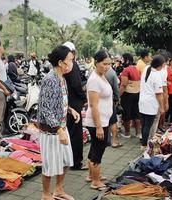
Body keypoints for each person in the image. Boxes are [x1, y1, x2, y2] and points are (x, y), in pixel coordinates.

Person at [38, 45, 79, 200]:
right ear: (61, 62)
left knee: (66, 160)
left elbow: (59, 101)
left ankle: (58, 190)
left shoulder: (62, 78)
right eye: (70, 60)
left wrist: (70, 110)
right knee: (49, 165)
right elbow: (46, 108)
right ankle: (46, 194)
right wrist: (59, 130)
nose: (72, 63)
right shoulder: (50, 79)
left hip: (60, 126)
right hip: (50, 130)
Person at [84, 50, 113, 190]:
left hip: (103, 120)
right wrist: (99, 127)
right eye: (104, 64)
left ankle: (91, 176)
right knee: (98, 151)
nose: (107, 66)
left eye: (109, 64)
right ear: (96, 63)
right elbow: (93, 105)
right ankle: (95, 182)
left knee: (95, 149)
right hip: (97, 121)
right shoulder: (95, 79)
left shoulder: (101, 76)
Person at [63, 41, 87, 170]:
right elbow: (77, 85)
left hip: (65, 102)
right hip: (74, 103)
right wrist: (84, 97)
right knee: (75, 133)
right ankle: (76, 162)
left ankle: (67, 160)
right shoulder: (73, 64)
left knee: (67, 131)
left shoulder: (62, 66)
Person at [139, 55, 165, 149]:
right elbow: (159, 94)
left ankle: (143, 143)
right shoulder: (157, 76)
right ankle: (144, 145)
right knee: (148, 125)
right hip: (150, 103)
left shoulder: (147, 68)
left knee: (144, 124)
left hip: (142, 101)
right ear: (161, 65)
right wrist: (162, 108)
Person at [119, 53, 141, 138]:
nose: (121, 61)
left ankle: (127, 133)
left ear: (127, 60)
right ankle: (138, 133)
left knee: (126, 113)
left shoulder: (126, 70)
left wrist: (119, 95)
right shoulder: (136, 69)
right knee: (136, 112)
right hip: (137, 93)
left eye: (122, 59)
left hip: (127, 94)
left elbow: (124, 84)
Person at [105, 64, 122, 148]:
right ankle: (114, 141)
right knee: (112, 121)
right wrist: (117, 98)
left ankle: (106, 141)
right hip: (109, 100)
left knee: (104, 121)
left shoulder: (94, 72)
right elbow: (116, 87)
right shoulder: (111, 72)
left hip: (100, 101)